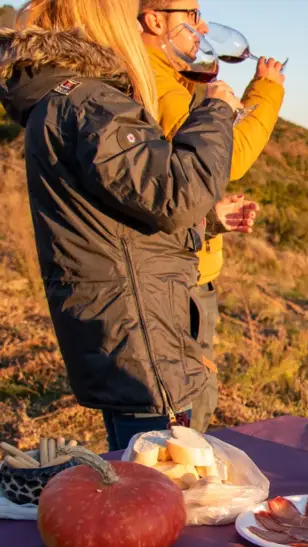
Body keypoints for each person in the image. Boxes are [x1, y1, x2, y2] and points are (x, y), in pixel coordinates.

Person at [0, 0, 241, 451]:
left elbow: (115, 209)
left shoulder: (63, 99)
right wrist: (215, 112)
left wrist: (206, 220)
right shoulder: (89, 103)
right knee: (164, 493)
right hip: (142, 341)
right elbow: (174, 194)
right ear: (111, 22)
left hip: (121, 328)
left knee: (137, 481)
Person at [138, 0, 286, 432]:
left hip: (183, 262)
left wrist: (208, 220)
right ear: (153, 19)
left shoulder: (170, 79)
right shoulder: (157, 84)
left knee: (186, 408)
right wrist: (267, 91)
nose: (201, 27)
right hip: (176, 280)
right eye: (190, 14)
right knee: (183, 419)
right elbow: (229, 157)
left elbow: (171, 179)